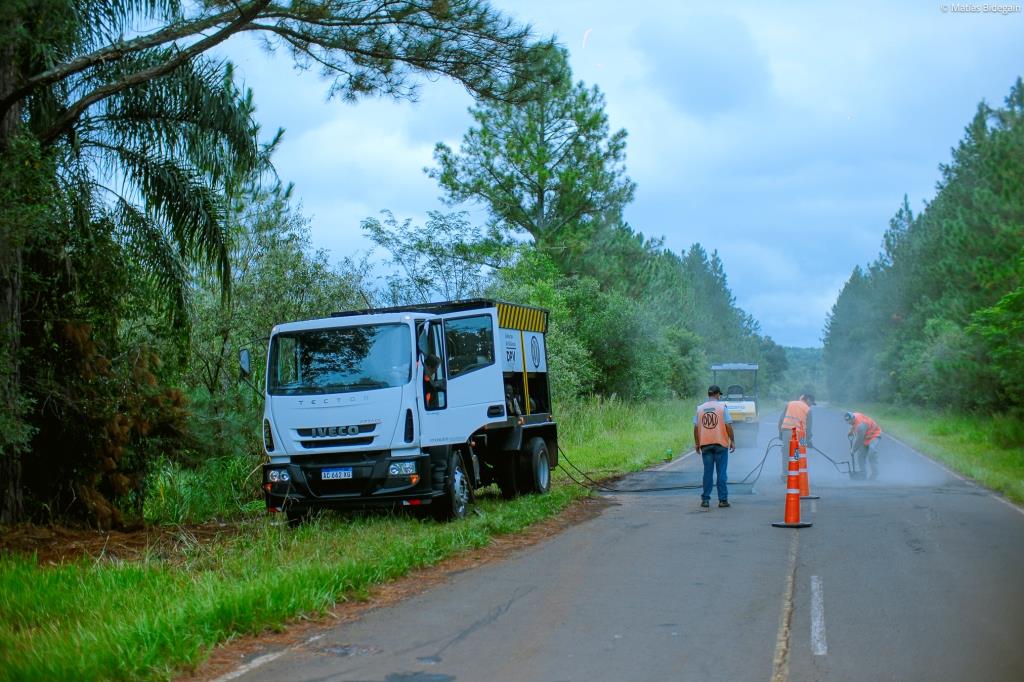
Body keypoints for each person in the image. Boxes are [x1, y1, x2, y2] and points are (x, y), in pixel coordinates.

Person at [694, 385, 736, 508]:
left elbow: (696, 428)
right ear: (717, 394)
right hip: (720, 444)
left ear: (709, 394)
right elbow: (728, 425)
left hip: (705, 445)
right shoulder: (722, 407)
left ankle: (705, 500)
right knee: (721, 473)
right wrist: (732, 440)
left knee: (707, 473)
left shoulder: (700, 408)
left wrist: (697, 443)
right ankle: (722, 500)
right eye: (719, 394)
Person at [778, 393, 815, 476]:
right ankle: (794, 474)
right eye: (811, 403)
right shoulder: (808, 410)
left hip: (786, 431)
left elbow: (781, 420)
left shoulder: (789, 404)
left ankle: (785, 475)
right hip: (799, 434)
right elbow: (808, 428)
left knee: (786, 453)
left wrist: (780, 433)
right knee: (797, 453)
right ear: (808, 399)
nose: (811, 405)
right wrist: (808, 440)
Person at [845, 411, 882, 479]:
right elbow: (854, 424)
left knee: (871, 451)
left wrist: (853, 450)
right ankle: (863, 474)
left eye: (850, 422)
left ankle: (875, 473)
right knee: (860, 455)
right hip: (865, 435)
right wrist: (851, 431)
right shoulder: (854, 415)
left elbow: (859, 440)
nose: (850, 423)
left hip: (874, 434)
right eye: (848, 422)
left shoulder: (861, 426)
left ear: (853, 418)